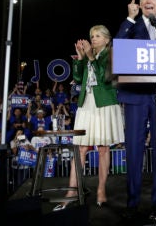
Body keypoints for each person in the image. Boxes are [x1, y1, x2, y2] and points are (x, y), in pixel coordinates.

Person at [115, 0, 156, 219]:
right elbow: (118, 47)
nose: (149, 1)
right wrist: (129, 18)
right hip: (135, 95)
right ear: (139, 3)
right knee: (134, 150)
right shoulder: (131, 26)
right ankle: (132, 204)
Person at [53, 25, 125, 211]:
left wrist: (91, 58)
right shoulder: (89, 55)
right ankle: (72, 191)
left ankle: (101, 190)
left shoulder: (111, 54)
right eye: (92, 36)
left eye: (98, 36)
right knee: (81, 148)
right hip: (87, 104)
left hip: (105, 104)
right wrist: (80, 58)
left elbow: (105, 77)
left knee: (102, 148)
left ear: (107, 40)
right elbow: (78, 78)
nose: (93, 39)